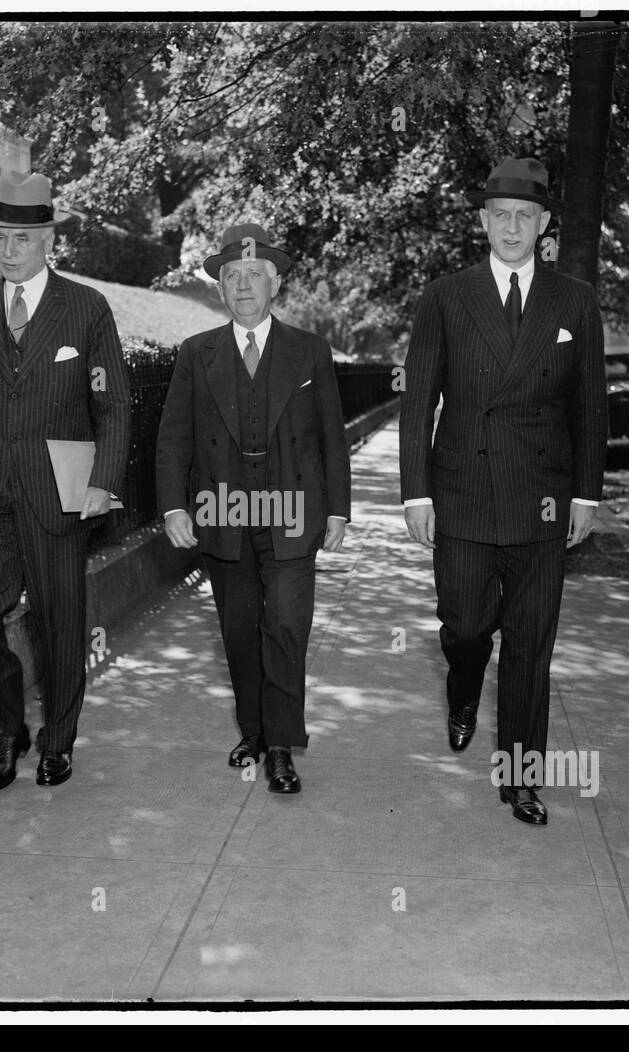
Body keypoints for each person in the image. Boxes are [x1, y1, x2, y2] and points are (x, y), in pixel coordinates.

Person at [399, 157, 607, 825]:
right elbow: (417, 403)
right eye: (500, 215)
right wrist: (415, 493)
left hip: (543, 500)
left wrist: (586, 495)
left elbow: (590, 406)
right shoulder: (445, 297)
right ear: (482, 221)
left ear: (543, 224)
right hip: (461, 493)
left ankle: (522, 778)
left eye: (526, 216)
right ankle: (463, 686)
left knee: (530, 643)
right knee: (465, 626)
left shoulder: (574, 299)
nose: (512, 227)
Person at [0, 170, 131, 791]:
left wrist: (103, 479)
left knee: (60, 622)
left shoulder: (86, 309)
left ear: (48, 238)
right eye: (0, 238)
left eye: (21, 239)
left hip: (57, 496)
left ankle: (58, 740)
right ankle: (7, 728)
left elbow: (114, 404)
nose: (8, 250)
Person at [156, 223, 351, 794]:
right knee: (240, 632)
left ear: (275, 285)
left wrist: (338, 509)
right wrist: (172, 507)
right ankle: (255, 731)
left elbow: (330, 436)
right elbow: (174, 438)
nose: (243, 286)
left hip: (293, 510)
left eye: (254, 276)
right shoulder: (197, 354)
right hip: (223, 511)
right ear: (220, 289)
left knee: (285, 626)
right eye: (232, 277)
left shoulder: (309, 350)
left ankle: (283, 745)